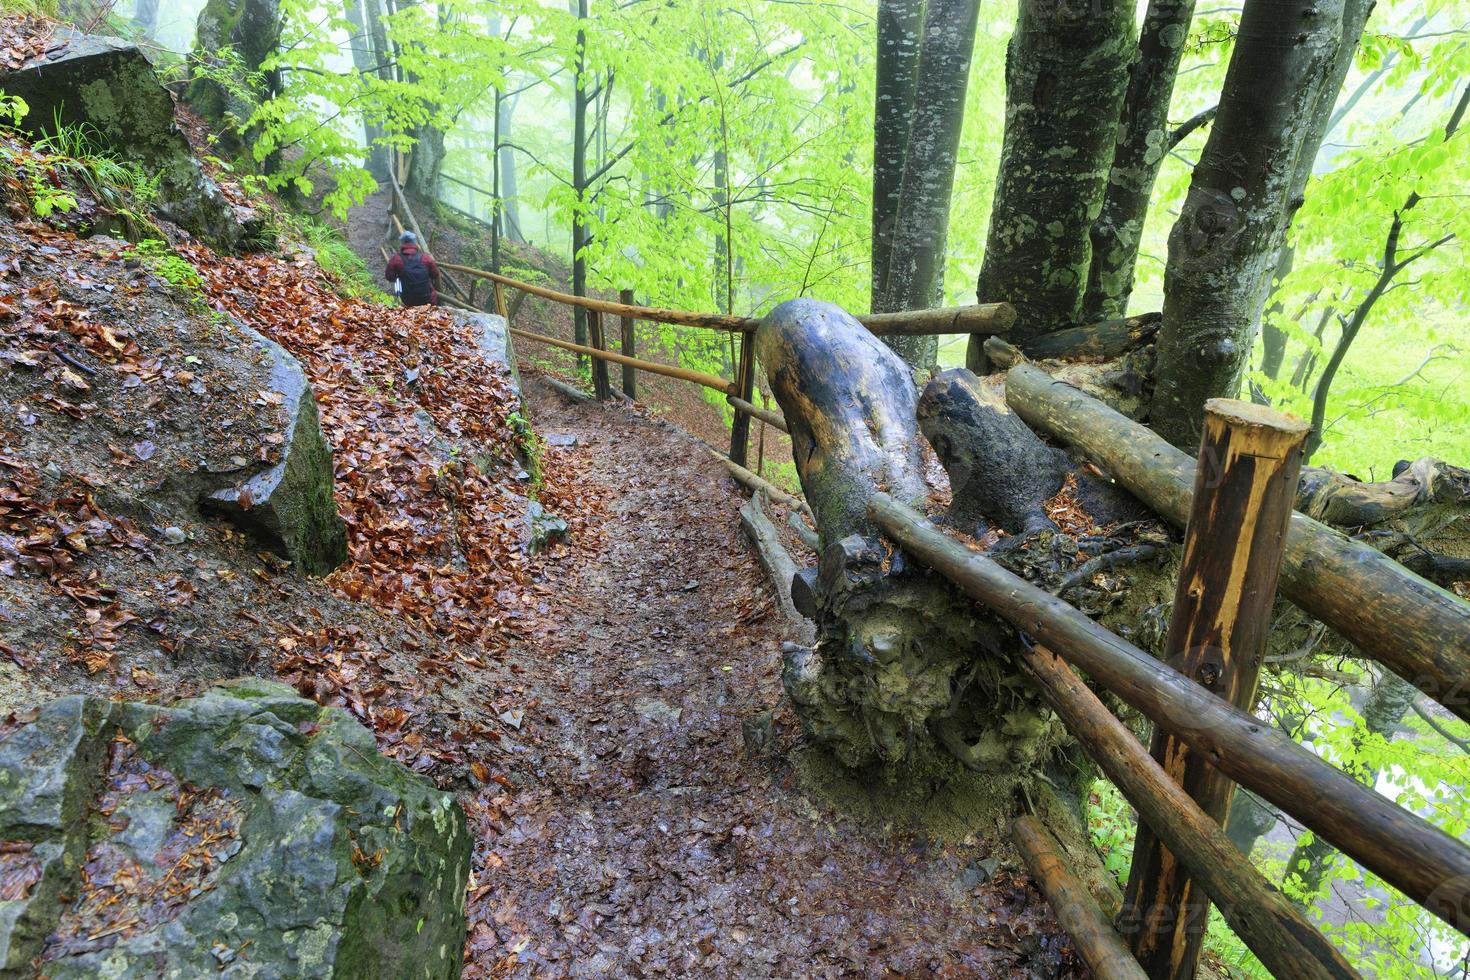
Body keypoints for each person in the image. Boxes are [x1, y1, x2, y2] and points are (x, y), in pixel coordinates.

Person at [385, 231, 441, 307]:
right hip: (428, 299)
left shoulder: (396, 259)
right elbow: (435, 274)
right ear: (415, 242)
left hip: (408, 300)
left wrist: (400, 275)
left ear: (402, 243)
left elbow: (389, 277)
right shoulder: (426, 258)